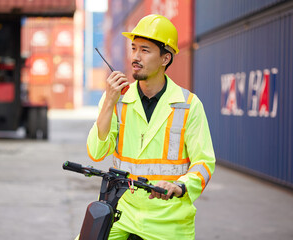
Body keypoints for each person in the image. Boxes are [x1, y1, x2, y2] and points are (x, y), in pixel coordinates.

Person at [86, 14, 215, 240]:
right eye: (134, 48)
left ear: (165, 58)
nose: (136, 56)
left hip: (168, 217)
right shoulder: (116, 100)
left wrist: (181, 186)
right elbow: (96, 153)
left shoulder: (188, 105)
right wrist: (108, 101)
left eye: (145, 50)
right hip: (122, 212)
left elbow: (204, 163)